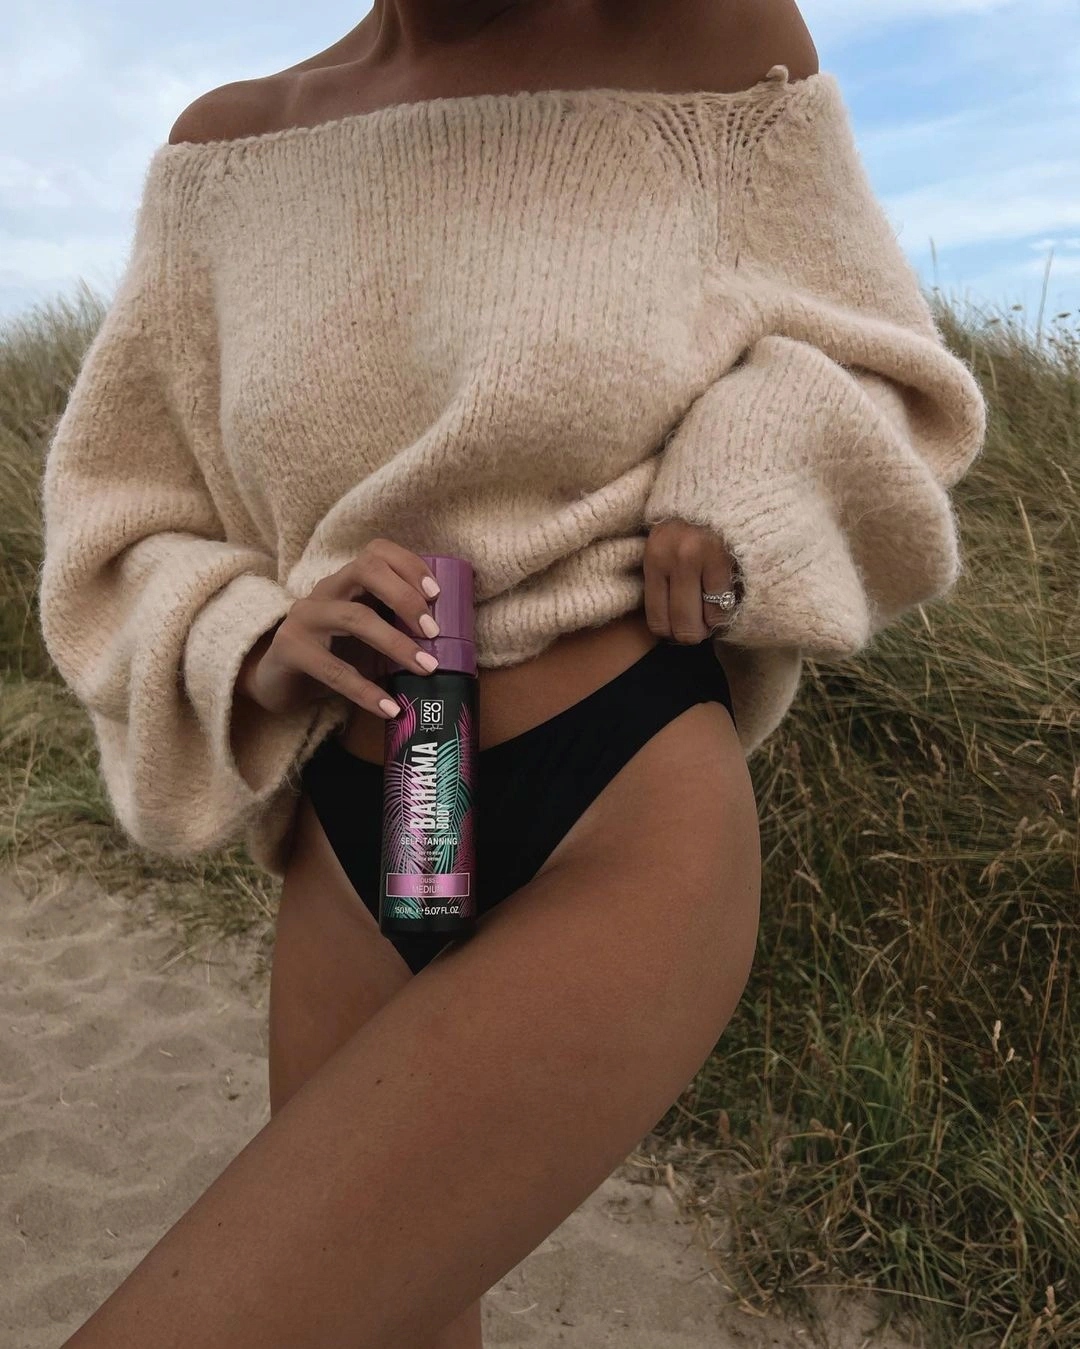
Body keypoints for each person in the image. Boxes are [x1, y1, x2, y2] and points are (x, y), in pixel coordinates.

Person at [37, 1, 987, 1345]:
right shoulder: (226, 156)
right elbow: (117, 516)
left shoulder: (716, 54)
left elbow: (873, 355)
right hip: (351, 837)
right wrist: (242, 636)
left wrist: (744, 483)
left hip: (617, 790)